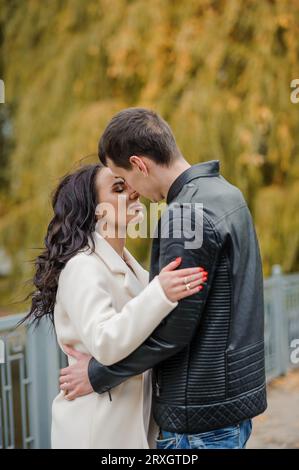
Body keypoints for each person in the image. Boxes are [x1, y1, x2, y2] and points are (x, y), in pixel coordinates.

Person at [60, 108, 267, 449]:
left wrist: (98, 374)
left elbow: (173, 331)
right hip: (230, 405)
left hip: (197, 415)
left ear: (140, 164)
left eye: (123, 178)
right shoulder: (227, 194)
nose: (132, 191)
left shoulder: (184, 215)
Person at [23, 163, 206, 449]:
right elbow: (105, 341)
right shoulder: (83, 266)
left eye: (129, 185)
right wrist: (160, 292)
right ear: (95, 211)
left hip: (129, 421)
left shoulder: (129, 266)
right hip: (97, 428)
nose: (134, 193)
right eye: (119, 189)